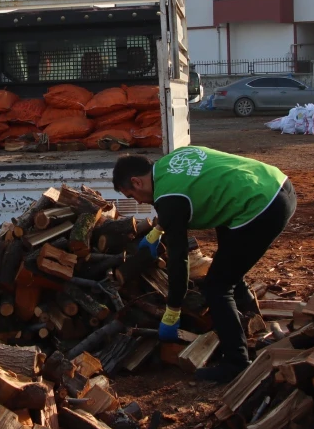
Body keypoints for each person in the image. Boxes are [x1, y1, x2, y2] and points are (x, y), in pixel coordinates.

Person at [113, 146, 297, 383]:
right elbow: (184, 197)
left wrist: (173, 310)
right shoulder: (170, 162)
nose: (137, 202)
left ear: (136, 182)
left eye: (131, 196)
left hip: (261, 207)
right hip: (276, 183)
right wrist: (158, 230)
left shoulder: (170, 198)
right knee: (229, 264)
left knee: (217, 287)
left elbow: (179, 260)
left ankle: (236, 362)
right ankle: (249, 315)